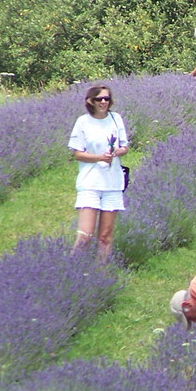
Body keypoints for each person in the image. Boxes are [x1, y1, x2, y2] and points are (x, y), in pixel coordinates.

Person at [68, 85, 129, 261]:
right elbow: (77, 153)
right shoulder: (83, 122)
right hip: (90, 183)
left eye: (106, 99)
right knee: (85, 235)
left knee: (105, 237)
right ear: (90, 101)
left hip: (112, 183)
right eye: (99, 99)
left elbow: (124, 146)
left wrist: (118, 151)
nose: (103, 102)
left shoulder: (116, 119)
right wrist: (99, 158)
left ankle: (99, 274)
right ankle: (72, 268)